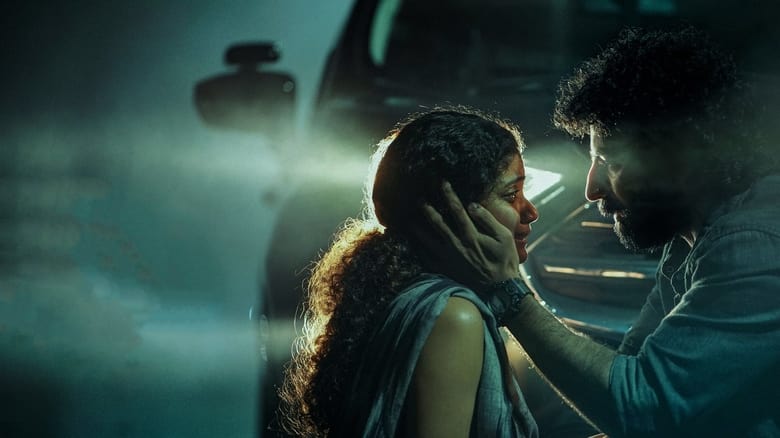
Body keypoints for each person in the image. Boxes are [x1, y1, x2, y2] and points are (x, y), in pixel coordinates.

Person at [425, 27, 780, 437]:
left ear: (679, 158)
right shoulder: (689, 236)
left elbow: (643, 410)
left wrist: (509, 293)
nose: (592, 189)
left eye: (611, 162)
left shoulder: (754, 243)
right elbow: (630, 367)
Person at [277, 108, 541, 437]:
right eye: (511, 195)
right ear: (452, 211)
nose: (531, 211)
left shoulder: (399, 294)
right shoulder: (454, 317)